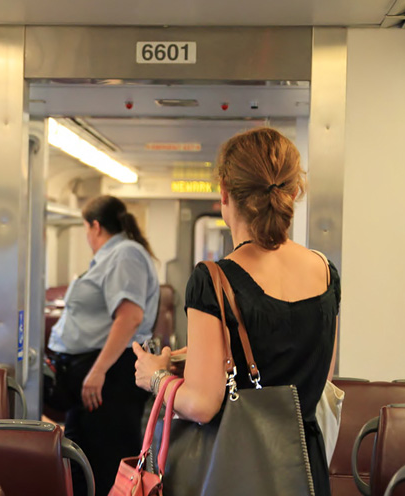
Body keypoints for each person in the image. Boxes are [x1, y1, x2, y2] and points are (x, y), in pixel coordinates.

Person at [132, 127, 340, 496]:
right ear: (293, 193)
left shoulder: (212, 279)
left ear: (224, 193)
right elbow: (313, 370)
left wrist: (156, 377)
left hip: (239, 466)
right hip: (302, 466)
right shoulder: (325, 271)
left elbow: (202, 405)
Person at [47, 195, 160, 496]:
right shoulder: (112, 256)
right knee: (83, 460)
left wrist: (97, 372)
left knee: (105, 463)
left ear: (95, 226)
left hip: (110, 375)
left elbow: (130, 317)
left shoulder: (125, 254)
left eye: (86, 229)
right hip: (95, 373)